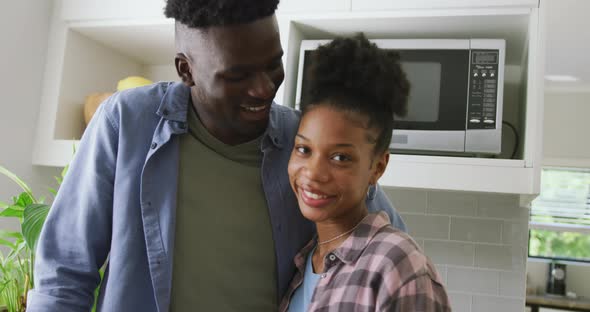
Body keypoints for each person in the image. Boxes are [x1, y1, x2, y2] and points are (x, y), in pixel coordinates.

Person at [26, 1, 406, 311]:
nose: (264, 88)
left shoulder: (302, 143)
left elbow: (389, 242)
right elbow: (63, 274)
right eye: (237, 76)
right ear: (186, 70)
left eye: (273, 63)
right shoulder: (127, 123)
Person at [279, 34, 451, 312]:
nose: (313, 173)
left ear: (377, 167)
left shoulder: (397, 264)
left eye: (340, 157)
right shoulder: (305, 261)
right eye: (303, 149)